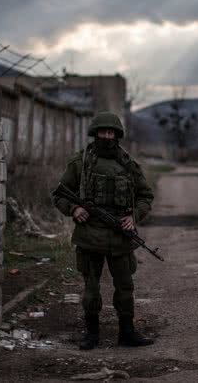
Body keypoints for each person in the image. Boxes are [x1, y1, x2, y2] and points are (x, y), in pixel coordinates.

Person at [53, 111, 155, 350]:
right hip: (89, 236)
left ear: (117, 135)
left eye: (111, 133)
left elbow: (145, 196)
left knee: (125, 288)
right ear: (95, 134)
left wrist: (134, 216)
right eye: (103, 132)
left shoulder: (128, 165)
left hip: (120, 236)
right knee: (90, 289)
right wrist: (74, 208)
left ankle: (127, 333)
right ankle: (91, 333)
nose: (107, 136)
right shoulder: (80, 163)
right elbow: (59, 194)